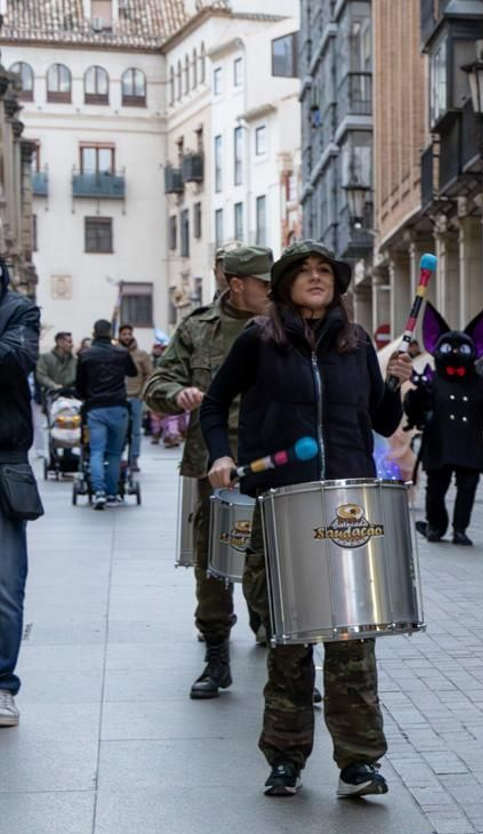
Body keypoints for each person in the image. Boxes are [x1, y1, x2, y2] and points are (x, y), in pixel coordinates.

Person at [200, 240, 411, 799]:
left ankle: (359, 763)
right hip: (282, 503)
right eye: (305, 271)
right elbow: (214, 404)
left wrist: (395, 381)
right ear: (286, 283)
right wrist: (221, 455)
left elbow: (383, 419)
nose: (317, 278)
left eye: (326, 271)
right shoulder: (259, 340)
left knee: (352, 641)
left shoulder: (356, 342)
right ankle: (286, 759)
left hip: (346, 506)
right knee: (288, 642)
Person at [145, 245, 274, 695]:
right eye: (263, 282)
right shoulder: (199, 328)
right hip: (213, 462)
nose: (272, 289)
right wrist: (177, 393)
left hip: (274, 463)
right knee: (214, 563)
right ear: (236, 284)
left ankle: (285, 655)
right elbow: (157, 382)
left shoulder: (286, 326)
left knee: (277, 560)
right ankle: (217, 655)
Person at [405, 303, 483, 546]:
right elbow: (415, 412)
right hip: (439, 444)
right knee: (435, 491)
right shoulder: (432, 381)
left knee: (467, 489)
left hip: (469, 446)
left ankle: (460, 529)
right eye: (449, 347)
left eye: (461, 348)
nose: (455, 352)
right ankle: (436, 525)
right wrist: (415, 398)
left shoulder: (476, 384)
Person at [0, 260, 42, 727]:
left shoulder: (19, 311)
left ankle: (2, 686)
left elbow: (14, 360)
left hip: (4, 462)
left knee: (6, 587)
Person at [75, 319, 137, 509]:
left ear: (93, 333)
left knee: (96, 451)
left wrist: (87, 397)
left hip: (95, 408)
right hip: (118, 407)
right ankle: (112, 494)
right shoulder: (121, 352)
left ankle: (98, 491)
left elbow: (79, 385)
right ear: (111, 333)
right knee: (115, 453)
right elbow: (132, 372)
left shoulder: (85, 355)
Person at [117, 324, 154, 471]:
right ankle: (118, 458)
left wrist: (142, 393)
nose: (126, 336)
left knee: (135, 431)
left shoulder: (142, 355)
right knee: (119, 430)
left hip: (135, 397)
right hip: (118, 398)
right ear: (119, 336)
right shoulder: (115, 352)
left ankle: (133, 459)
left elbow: (150, 375)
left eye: (128, 334)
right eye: (123, 334)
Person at [35, 331, 75, 410]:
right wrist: (54, 386)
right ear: (59, 342)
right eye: (69, 342)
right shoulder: (45, 358)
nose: (72, 345)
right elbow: (41, 376)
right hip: (52, 398)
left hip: (72, 399)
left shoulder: (75, 360)